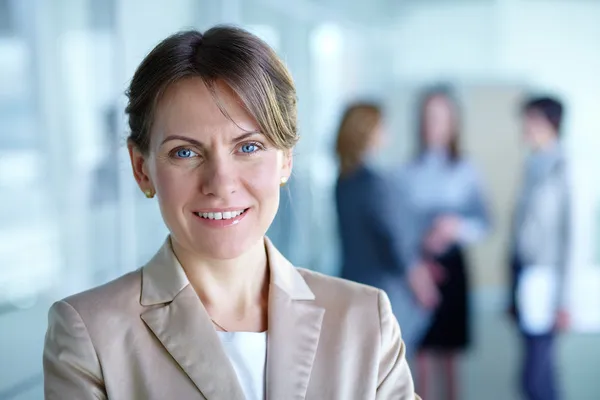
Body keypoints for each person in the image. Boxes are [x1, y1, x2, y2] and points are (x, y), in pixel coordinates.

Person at [42, 26, 420, 400]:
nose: (221, 183)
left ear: (286, 159)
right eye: (184, 152)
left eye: (249, 147)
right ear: (142, 168)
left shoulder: (365, 318)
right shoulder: (88, 334)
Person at [400, 86, 491, 400]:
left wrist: (456, 227)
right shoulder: (407, 172)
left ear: (453, 123)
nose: (433, 125)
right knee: (421, 352)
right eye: (428, 118)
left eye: (440, 118)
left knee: (450, 354)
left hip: (453, 265)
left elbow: (484, 223)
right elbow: (400, 227)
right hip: (420, 266)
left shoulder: (466, 170)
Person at [334, 103, 430, 359]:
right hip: (385, 291)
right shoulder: (374, 184)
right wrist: (418, 278)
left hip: (352, 284)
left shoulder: (343, 182)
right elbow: (393, 242)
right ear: (367, 131)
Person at [509, 96, 570, 400]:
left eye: (531, 120)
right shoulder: (532, 165)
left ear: (551, 123)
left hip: (548, 282)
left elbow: (571, 238)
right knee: (533, 372)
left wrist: (565, 299)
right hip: (526, 276)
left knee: (537, 376)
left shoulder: (564, 168)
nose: (525, 127)